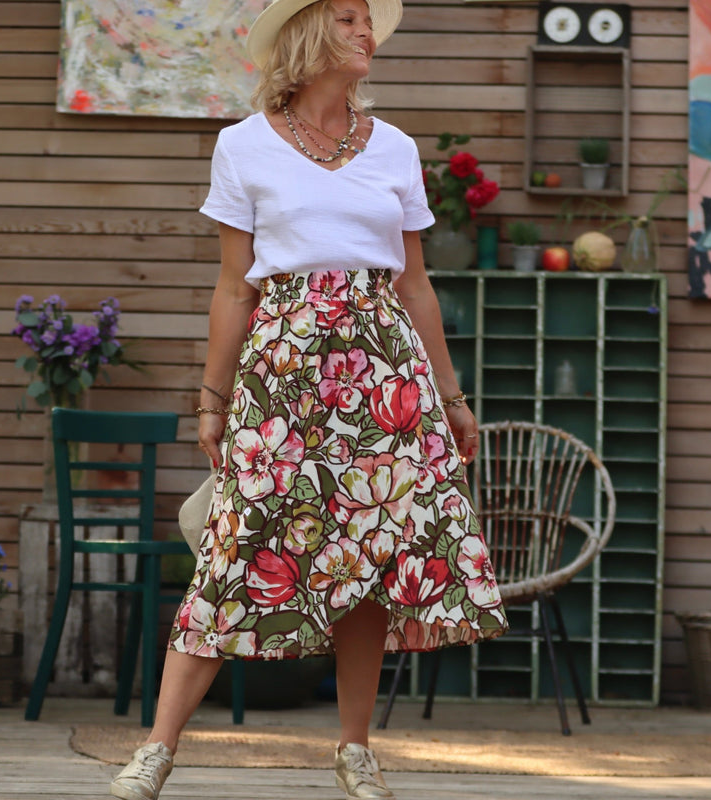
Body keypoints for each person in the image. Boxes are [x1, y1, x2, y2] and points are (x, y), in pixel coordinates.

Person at [110, 1, 507, 799]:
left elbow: (415, 285)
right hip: (282, 373)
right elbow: (234, 287)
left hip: (386, 377)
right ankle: (157, 749)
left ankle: (355, 750)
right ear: (306, 34)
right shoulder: (243, 145)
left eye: (369, 21)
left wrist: (452, 395)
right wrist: (212, 401)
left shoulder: (394, 147)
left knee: (369, 555)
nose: (367, 33)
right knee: (234, 547)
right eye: (349, 18)